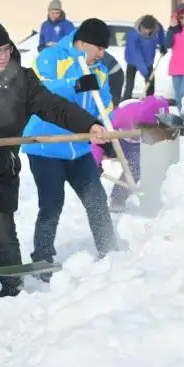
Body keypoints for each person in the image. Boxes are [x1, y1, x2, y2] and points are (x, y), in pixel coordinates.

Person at [0, 18, 109, 298]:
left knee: (6, 246)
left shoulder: (21, 79)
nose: (5, 56)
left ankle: (12, 296)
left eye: (7, 49)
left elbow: (53, 106)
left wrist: (89, 125)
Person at [22, 18, 121, 279]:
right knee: (52, 204)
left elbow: (105, 104)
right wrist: (75, 83)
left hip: (78, 149)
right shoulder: (52, 57)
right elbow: (37, 90)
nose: (102, 53)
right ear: (83, 41)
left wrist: (103, 126)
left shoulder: (99, 71)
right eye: (99, 47)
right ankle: (42, 260)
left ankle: (109, 250)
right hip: (45, 148)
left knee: (96, 199)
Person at [91, 96, 169, 213]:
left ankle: (131, 195)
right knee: (136, 162)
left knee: (139, 164)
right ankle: (117, 199)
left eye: (154, 127)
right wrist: (94, 162)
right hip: (116, 140)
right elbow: (98, 139)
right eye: (146, 126)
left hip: (137, 145)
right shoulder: (121, 115)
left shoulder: (162, 118)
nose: (149, 130)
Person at [123, 15, 166, 100]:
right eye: (144, 29)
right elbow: (135, 55)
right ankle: (126, 104)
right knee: (129, 85)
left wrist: (162, 44)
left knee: (151, 85)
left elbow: (161, 33)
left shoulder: (157, 27)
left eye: (148, 30)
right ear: (141, 26)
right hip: (133, 61)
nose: (146, 32)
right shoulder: (133, 34)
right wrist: (145, 73)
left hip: (148, 60)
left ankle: (149, 103)